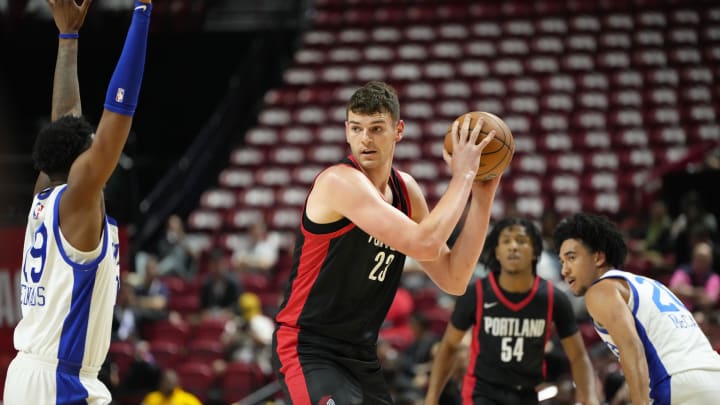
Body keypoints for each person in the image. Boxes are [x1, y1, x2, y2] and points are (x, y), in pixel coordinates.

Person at [272, 81, 502, 404]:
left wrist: (482, 195)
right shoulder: (338, 182)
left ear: (398, 130)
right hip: (309, 348)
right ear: (347, 131)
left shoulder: (407, 191)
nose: (365, 139)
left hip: (361, 355)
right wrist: (462, 176)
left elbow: (454, 277)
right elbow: (423, 243)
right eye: (357, 128)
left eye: (377, 128)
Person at [3, 0, 152, 404]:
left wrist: (68, 37)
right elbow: (117, 117)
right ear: (80, 163)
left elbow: (64, 119)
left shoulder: (45, 194)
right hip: (60, 383)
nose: (94, 153)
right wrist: (142, 14)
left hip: (26, 376)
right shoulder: (78, 199)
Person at [424, 218, 599, 405]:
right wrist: (431, 398)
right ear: (497, 252)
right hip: (482, 393)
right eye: (506, 241)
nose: (513, 247)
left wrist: (590, 399)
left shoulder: (553, 298)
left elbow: (578, 355)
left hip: (527, 394)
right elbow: (449, 346)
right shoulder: (477, 294)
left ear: (534, 251)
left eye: (521, 241)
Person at [553, 213, 720, 405]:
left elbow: (631, 347)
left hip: (676, 383)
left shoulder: (600, 290)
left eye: (571, 258)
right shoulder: (651, 284)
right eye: (562, 262)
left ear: (598, 257)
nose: (564, 270)